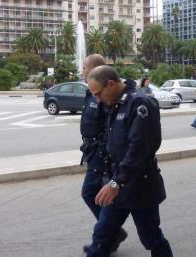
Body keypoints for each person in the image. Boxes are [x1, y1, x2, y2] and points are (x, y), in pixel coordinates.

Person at [85, 65, 173, 257]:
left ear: (111, 84)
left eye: (98, 94)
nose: (96, 100)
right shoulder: (115, 104)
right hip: (117, 185)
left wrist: (116, 183)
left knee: (152, 239)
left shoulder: (140, 104)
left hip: (140, 186)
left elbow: (138, 150)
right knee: (101, 237)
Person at [79, 55, 128, 254]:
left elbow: (110, 127)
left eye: (83, 67)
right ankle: (111, 234)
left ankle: (107, 235)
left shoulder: (104, 94)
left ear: (93, 69)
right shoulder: (93, 91)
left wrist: (104, 152)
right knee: (95, 194)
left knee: (93, 193)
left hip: (101, 153)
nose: (81, 69)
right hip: (92, 151)